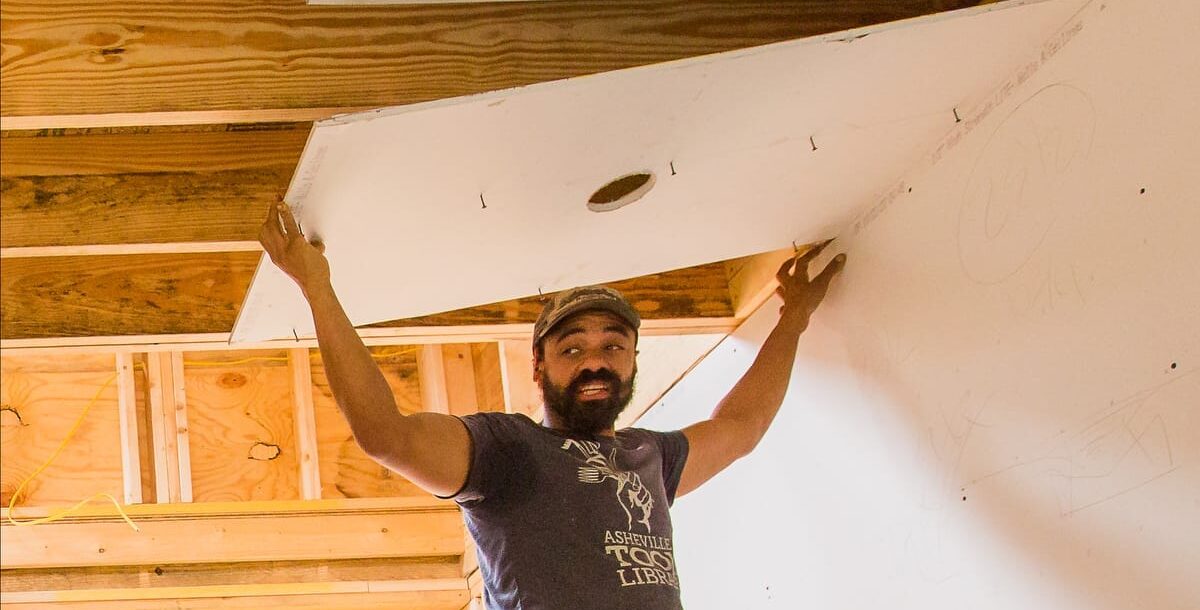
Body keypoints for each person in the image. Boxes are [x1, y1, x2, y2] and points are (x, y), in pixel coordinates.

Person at [259, 202, 845, 609]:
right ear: (539, 368)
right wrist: (317, 287)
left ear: (633, 362)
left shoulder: (651, 458)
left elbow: (739, 427)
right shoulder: (508, 451)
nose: (595, 361)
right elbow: (387, 434)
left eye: (613, 346)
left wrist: (794, 315)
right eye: (573, 348)